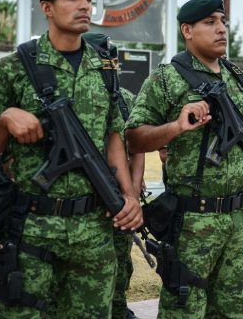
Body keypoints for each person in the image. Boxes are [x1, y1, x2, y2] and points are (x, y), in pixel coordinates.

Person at [0, 0, 142, 317]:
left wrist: (128, 196)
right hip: (32, 227)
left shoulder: (104, 68)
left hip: (93, 227)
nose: (84, 5)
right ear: (47, 8)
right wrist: (6, 119)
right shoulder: (16, 67)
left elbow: (113, 137)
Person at [125, 0, 243, 318]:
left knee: (233, 311)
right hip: (192, 221)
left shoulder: (237, 77)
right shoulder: (167, 78)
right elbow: (134, 136)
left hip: (240, 218)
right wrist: (175, 126)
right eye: (210, 22)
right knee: (185, 310)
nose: (221, 29)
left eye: (223, 21)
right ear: (187, 30)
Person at [82, 31, 146, 319]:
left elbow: (137, 149)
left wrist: (132, 192)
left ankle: (118, 308)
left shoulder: (126, 98)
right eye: (102, 56)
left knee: (121, 261)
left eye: (112, 58)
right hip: (87, 199)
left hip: (119, 197)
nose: (109, 63)